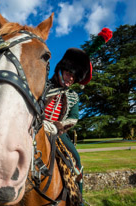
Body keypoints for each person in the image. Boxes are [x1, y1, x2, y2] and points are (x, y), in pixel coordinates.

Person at [43, 48, 92, 200]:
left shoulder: (73, 96)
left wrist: (57, 126)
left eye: (74, 77)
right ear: (61, 70)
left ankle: (79, 199)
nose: (71, 79)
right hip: (36, 128)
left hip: (58, 133)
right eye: (69, 74)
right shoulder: (43, 86)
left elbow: (74, 118)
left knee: (76, 159)